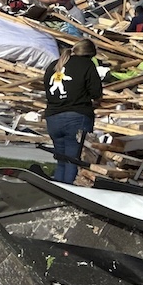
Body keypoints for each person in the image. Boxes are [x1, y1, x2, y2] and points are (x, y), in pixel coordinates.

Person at [43, 39, 103, 184]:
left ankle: (57, 188)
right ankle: (68, 191)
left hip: (53, 117)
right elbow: (96, 92)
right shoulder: (87, 65)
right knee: (73, 160)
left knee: (61, 159)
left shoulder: (54, 65)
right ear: (90, 55)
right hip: (77, 116)